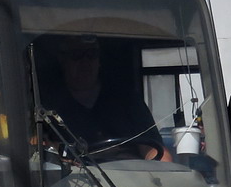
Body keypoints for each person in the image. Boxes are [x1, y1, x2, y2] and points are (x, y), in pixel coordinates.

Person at [39, 33, 171, 161]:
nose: (85, 62)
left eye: (92, 55)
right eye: (76, 55)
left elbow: (155, 151)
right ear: (62, 60)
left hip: (131, 178)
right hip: (76, 179)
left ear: (99, 60)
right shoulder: (46, 105)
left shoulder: (126, 100)